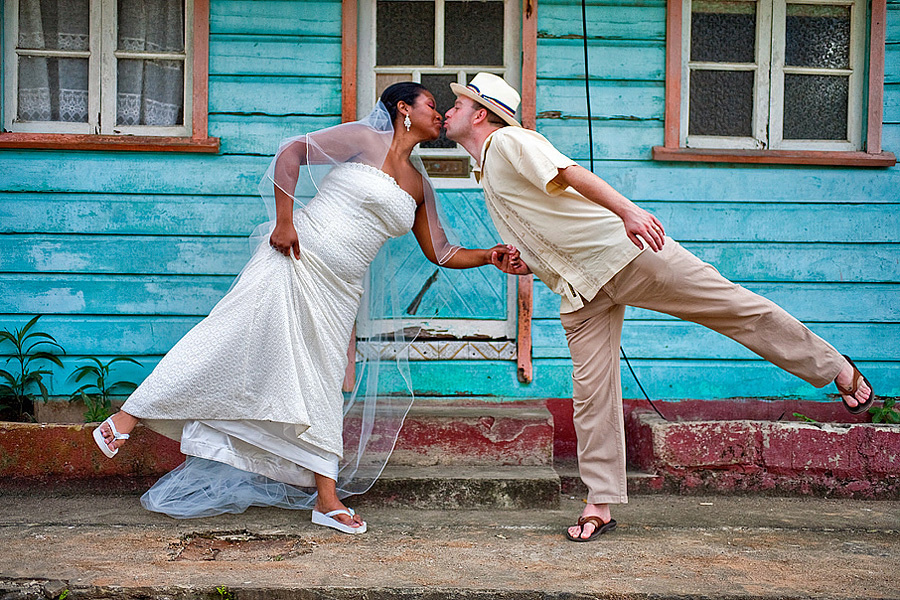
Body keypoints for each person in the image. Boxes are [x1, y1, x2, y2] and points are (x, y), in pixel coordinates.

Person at [443, 72, 876, 542]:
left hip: (625, 255)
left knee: (732, 307)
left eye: (457, 103)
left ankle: (834, 365)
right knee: (592, 396)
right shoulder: (485, 168)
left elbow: (570, 172)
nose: (449, 111)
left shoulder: (510, 140)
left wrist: (629, 211)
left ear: (480, 113)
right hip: (579, 289)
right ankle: (599, 504)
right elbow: (551, 218)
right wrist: (529, 260)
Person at [93, 82, 520, 534]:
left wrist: (490, 257)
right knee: (228, 335)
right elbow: (291, 153)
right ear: (403, 109)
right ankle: (127, 416)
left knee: (321, 383)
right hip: (294, 258)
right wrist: (284, 220)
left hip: (340, 290)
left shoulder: (418, 185)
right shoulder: (362, 141)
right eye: (432, 105)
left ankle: (326, 499)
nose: (439, 114)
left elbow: (441, 251)